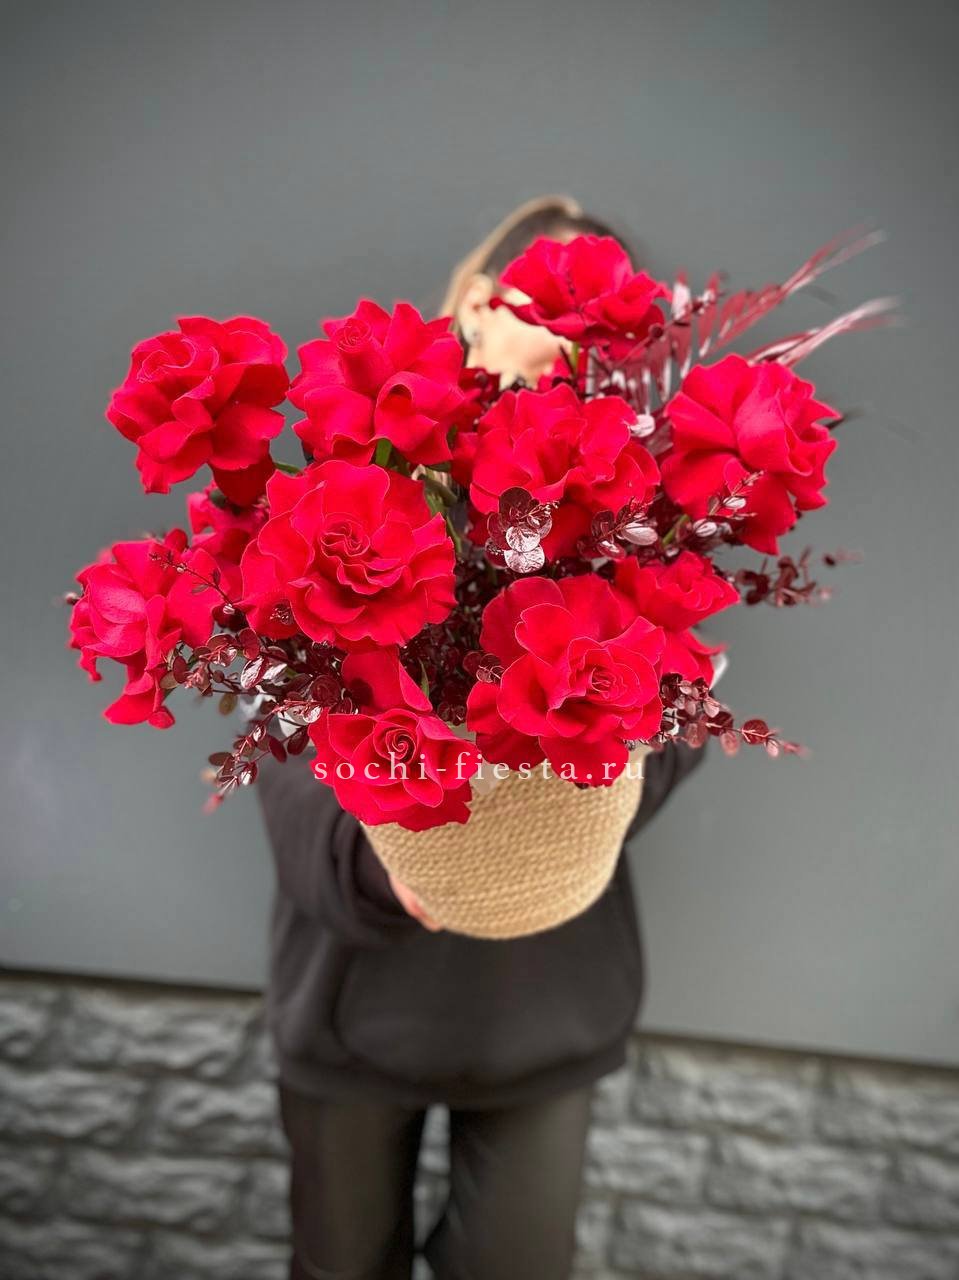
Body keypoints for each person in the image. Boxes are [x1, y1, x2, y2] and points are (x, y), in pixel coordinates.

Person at [256, 195, 708, 1280]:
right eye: (538, 304)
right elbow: (283, 735)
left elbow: (672, 729)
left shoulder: (635, 509)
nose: (560, 341)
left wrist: (577, 767)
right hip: (358, 991)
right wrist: (383, 859)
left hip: (542, 1004)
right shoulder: (348, 477)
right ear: (470, 299)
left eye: (595, 326)